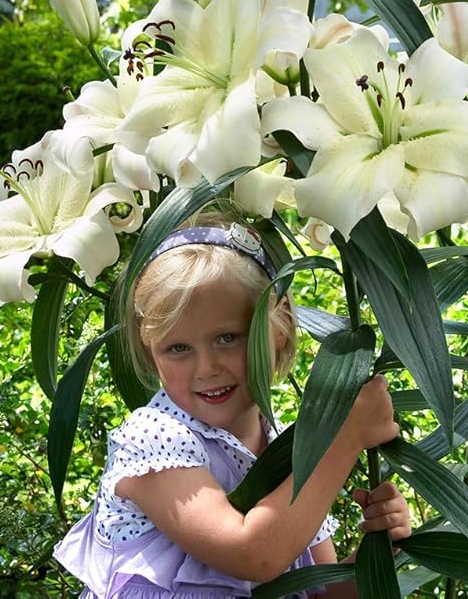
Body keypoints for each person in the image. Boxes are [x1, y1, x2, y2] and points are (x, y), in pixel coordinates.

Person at [54, 212, 411, 598]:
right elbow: (253, 554)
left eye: (228, 338)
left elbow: (320, 591)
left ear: (280, 327)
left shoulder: (285, 450)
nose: (206, 369)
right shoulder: (154, 441)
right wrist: (347, 434)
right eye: (178, 348)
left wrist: (377, 550)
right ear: (149, 351)